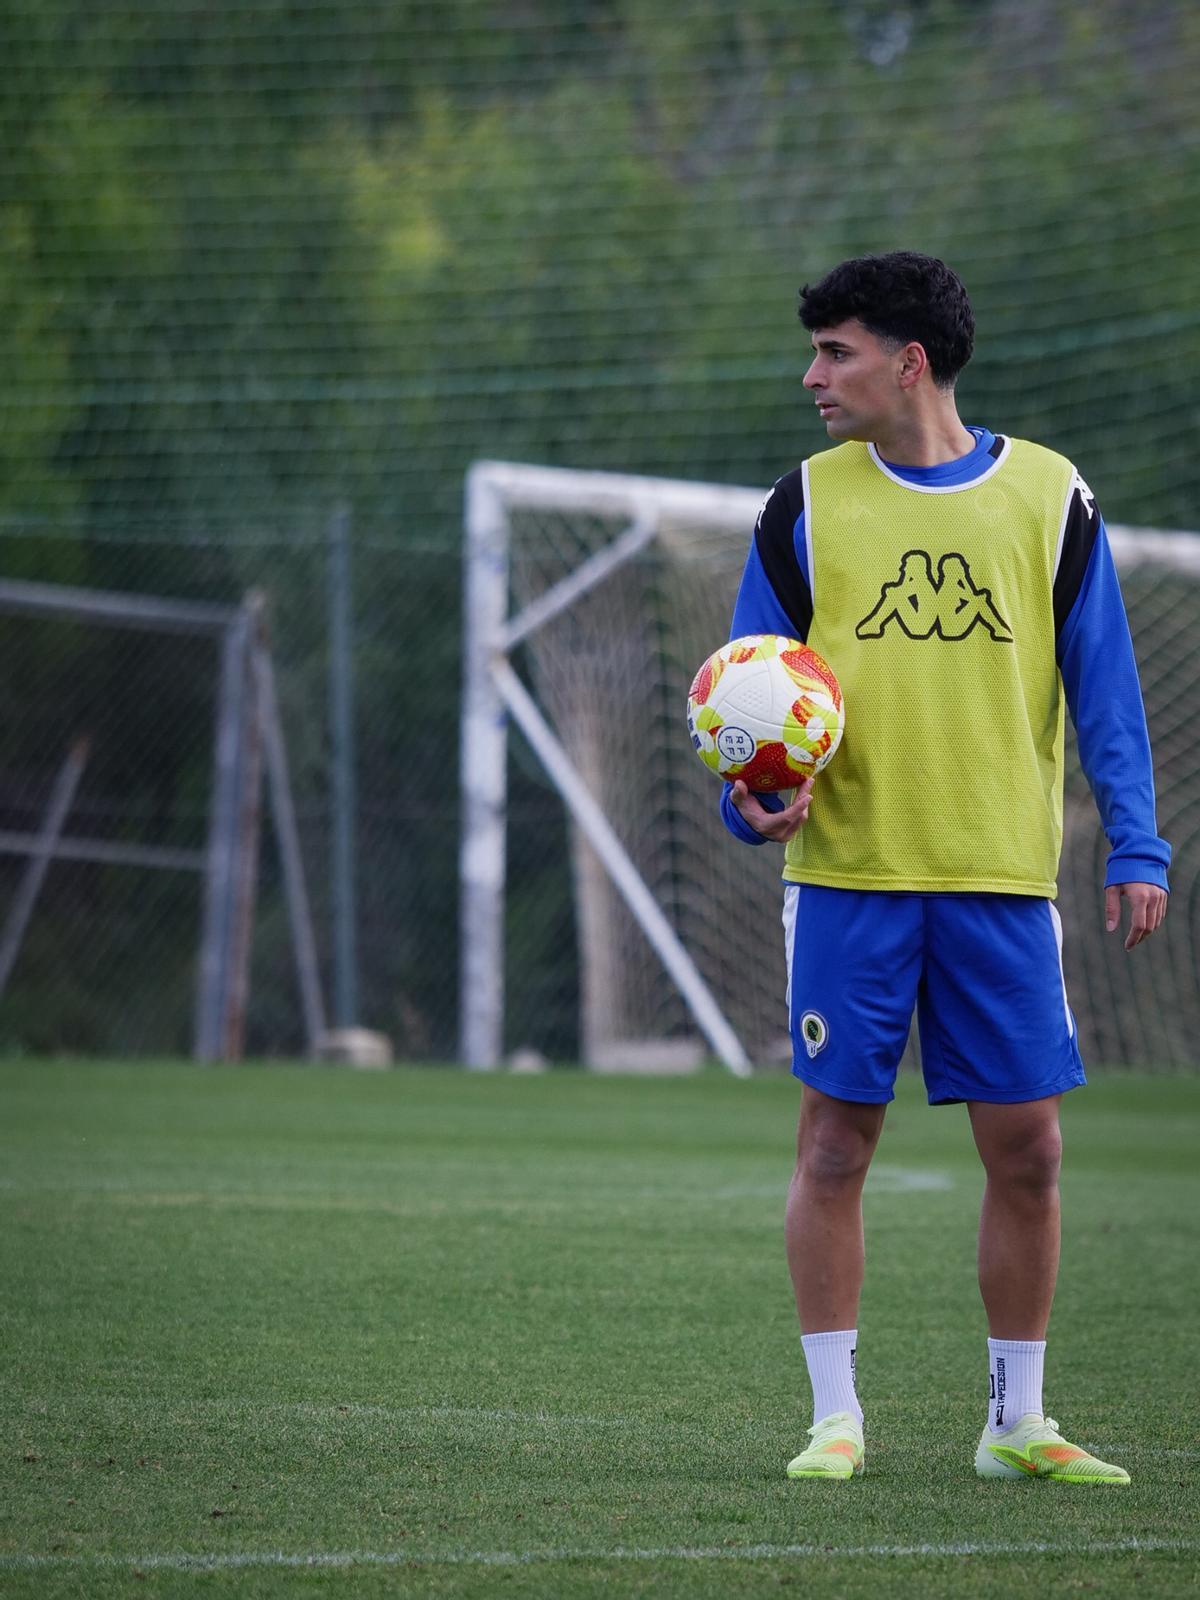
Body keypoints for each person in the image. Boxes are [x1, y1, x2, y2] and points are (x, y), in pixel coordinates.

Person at [720, 251, 1169, 1483]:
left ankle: (1015, 1421)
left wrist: (1136, 837)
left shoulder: (1051, 495)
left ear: (909, 361)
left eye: (837, 351)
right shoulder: (800, 505)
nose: (814, 375)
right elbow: (747, 696)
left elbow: (1106, 685)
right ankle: (834, 1418)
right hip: (851, 880)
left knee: (1030, 1150)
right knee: (833, 1148)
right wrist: (750, 803)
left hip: (1001, 881)